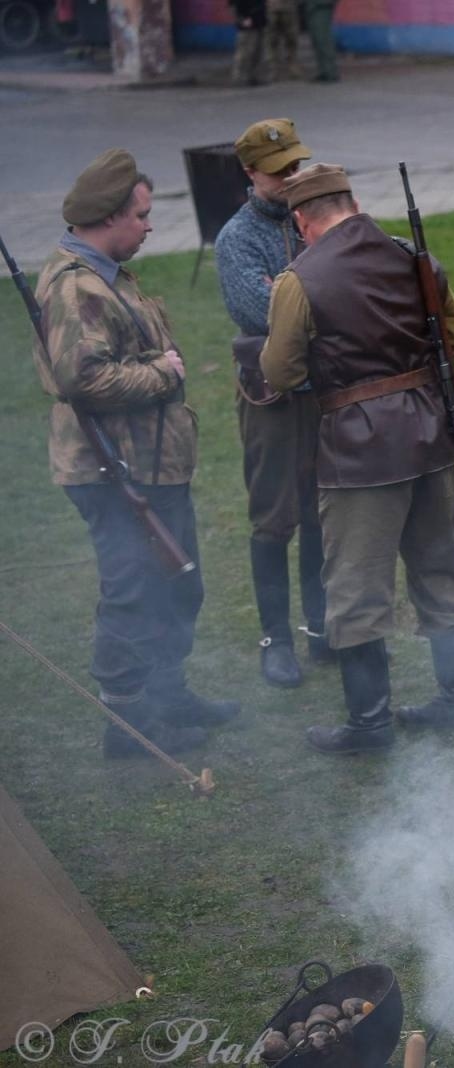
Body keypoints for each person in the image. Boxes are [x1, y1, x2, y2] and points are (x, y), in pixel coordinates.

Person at [261, 163, 454, 754]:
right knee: (441, 570)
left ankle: (370, 725)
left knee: (356, 590)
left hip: (358, 452)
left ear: (302, 220)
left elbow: (279, 371)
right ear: (354, 203)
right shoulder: (412, 257)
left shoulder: (299, 279)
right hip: (431, 435)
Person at [31, 149, 240, 759]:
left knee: (175, 586)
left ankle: (168, 695)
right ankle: (127, 724)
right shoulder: (77, 287)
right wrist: (164, 372)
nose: (150, 227)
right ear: (109, 216)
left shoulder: (107, 273)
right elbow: (82, 379)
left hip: (149, 464)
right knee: (133, 593)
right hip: (114, 470)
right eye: (142, 216)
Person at [215, 118, 330, 689]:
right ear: (250, 172)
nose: (290, 176)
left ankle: (320, 628)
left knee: (320, 513)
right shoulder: (236, 238)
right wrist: (318, 302)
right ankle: (275, 641)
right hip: (271, 398)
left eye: (295, 166)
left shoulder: (317, 220)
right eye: (278, 169)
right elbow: (261, 313)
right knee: (273, 517)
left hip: (323, 391)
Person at [230, 0, 267, 87]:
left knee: (257, 53)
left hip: (259, 23)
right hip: (247, 24)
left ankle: (253, 77)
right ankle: (238, 77)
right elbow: (235, 4)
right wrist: (243, 19)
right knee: (244, 53)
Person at [303, 0, 338, 82]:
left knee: (323, 40)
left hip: (322, 8)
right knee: (317, 41)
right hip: (313, 8)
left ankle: (330, 72)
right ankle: (323, 71)